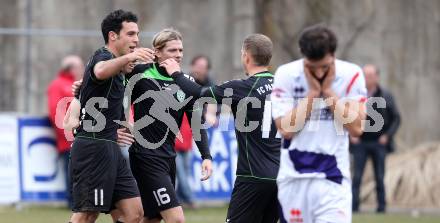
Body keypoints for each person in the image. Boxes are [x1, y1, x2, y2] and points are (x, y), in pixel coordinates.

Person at [164, 34, 281, 223]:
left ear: (247, 57)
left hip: (252, 177)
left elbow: (198, 93)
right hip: (281, 178)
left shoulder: (242, 87)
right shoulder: (284, 87)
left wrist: (176, 74)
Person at [271, 25, 367, 223]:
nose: (319, 73)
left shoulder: (351, 74)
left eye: (324, 66)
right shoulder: (286, 74)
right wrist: (314, 94)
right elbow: (286, 129)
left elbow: (357, 128)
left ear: (333, 55)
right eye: (312, 68)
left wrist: (330, 94)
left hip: (334, 180)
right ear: (303, 56)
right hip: (293, 180)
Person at [69, 9, 154, 223]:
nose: (136, 39)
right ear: (113, 36)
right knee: (87, 215)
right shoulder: (104, 56)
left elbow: (92, 86)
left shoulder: (120, 68)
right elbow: (99, 71)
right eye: (131, 34)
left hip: (109, 146)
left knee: (133, 213)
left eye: (137, 34)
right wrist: (131, 56)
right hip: (93, 148)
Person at [125, 28, 213, 223]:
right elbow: (112, 93)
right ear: (157, 51)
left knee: (152, 218)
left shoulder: (185, 81)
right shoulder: (140, 74)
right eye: (173, 50)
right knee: (176, 219)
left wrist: (206, 156)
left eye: (181, 50)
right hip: (145, 156)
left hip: (168, 157)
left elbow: (196, 123)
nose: (178, 55)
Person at [351, 64, 401, 213]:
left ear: (377, 77)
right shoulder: (355, 95)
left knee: (379, 176)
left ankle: (381, 207)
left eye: (370, 76)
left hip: (379, 143)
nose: (367, 79)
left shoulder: (386, 95)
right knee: (357, 176)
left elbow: (397, 118)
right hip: (360, 142)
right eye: (364, 76)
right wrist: (351, 135)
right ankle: (354, 206)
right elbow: (344, 115)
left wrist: (387, 136)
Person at [47, 55, 84, 208]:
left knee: (80, 170)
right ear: (71, 68)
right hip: (68, 138)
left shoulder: (77, 84)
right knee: (71, 169)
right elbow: (55, 111)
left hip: (81, 136)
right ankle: (73, 202)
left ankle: (81, 201)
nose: (82, 69)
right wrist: (68, 133)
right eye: (80, 66)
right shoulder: (57, 85)